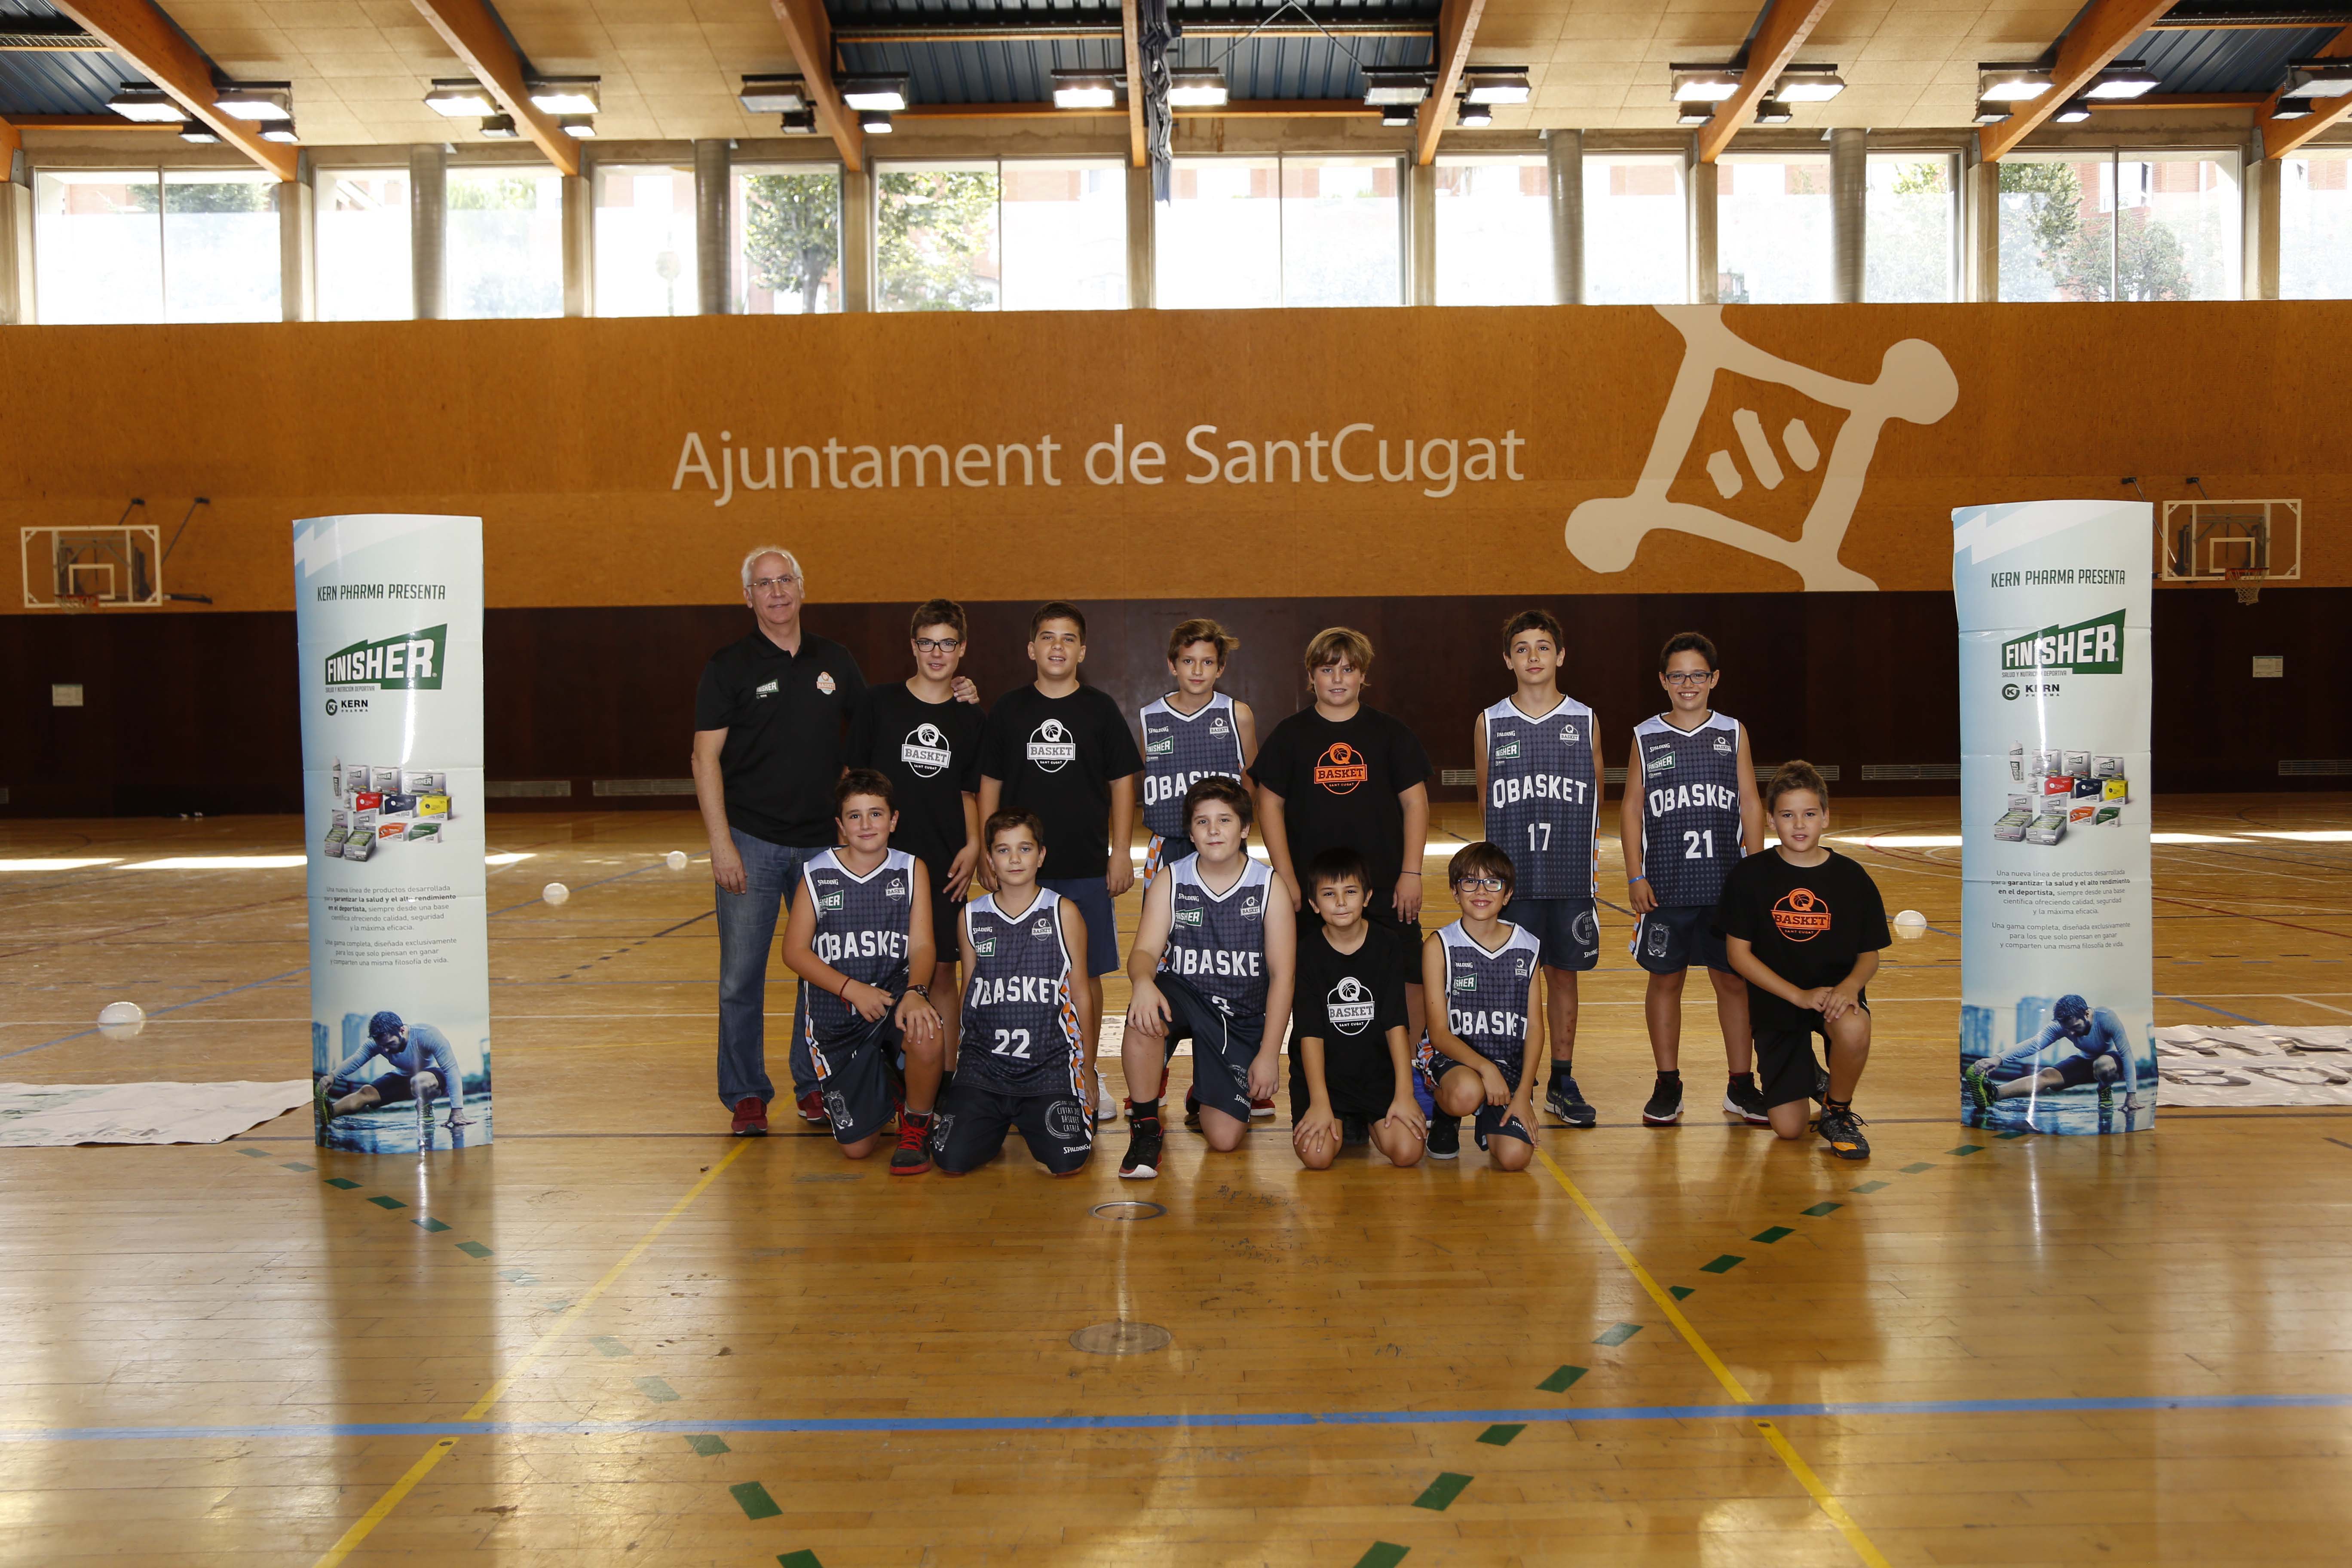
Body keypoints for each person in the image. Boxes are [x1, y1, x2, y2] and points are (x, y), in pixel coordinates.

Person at [690, 546, 870, 1139]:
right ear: (749, 598)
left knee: (816, 971)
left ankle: (812, 1081)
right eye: (764, 584)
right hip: (752, 840)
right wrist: (722, 845)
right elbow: (705, 757)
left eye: (785, 579)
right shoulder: (729, 665)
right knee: (741, 977)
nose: (776, 592)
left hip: (822, 850)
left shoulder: (835, 660)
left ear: (801, 586)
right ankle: (745, 1094)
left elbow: (873, 734)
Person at [1249, 626, 1436, 1132]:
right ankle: (1328, 1087)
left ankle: (1408, 1076)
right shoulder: (1291, 735)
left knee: (1410, 978)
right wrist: (1286, 878)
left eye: (1347, 669)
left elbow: (1415, 801)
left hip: (1381, 887)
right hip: (1318, 896)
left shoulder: (1389, 733)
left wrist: (1411, 872)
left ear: (1363, 676)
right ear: (1311, 676)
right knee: (1312, 983)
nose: (1338, 678)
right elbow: (1269, 802)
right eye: (1327, 669)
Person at [977, 602, 1142, 1124]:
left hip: (1085, 865)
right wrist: (989, 850)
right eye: (1047, 638)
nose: (1057, 647)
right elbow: (989, 784)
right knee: (1018, 974)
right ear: (1032, 649)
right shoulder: (1008, 709)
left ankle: (1085, 1070)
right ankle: (1016, 1072)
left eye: (1068, 639)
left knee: (1085, 973)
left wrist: (1120, 851)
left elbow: (1123, 784)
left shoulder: (1099, 709)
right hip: (1021, 872)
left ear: (1082, 651)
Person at [1620, 631, 1765, 1129]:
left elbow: (1749, 800)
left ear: (1714, 679)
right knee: (1666, 981)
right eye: (1678, 675)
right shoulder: (1646, 735)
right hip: (1666, 886)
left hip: (1724, 883)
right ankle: (1668, 1083)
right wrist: (1635, 873)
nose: (1688, 683)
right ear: (1663, 681)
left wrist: (1757, 868)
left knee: (1732, 981)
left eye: (1698, 674)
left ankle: (1741, 1085)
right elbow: (1633, 808)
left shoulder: (1733, 732)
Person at [1118, 777, 1295, 1178]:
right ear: (1191, 832)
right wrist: (1144, 983)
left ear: (1245, 829)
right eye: (1202, 822)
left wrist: (1270, 1055)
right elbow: (1145, 952)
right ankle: (1146, 1129)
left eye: (1225, 820)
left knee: (1224, 1139)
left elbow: (1283, 977)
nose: (1214, 830)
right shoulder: (1173, 878)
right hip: (1186, 996)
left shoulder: (1269, 887)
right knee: (1143, 1014)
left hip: (1240, 1015)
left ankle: (1205, 1092)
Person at [778, 771, 946, 1173]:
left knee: (926, 1029)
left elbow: (923, 945)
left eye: (876, 814)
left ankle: (916, 1123)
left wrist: (916, 991)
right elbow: (794, 951)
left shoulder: (910, 869)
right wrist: (851, 989)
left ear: (894, 821)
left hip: (892, 1001)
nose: (866, 825)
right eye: (854, 817)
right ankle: (888, 1083)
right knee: (858, 1149)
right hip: (838, 1017)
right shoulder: (816, 874)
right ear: (840, 826)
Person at [1475, 608, 1602, 1130]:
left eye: (1543, 646)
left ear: (1561, 655)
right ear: (1508, 659)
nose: (1533, 656)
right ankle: (1508, 1076)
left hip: (1569, 874)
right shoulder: (1490, 721)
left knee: (1564, 978)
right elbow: (1487, 803)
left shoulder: (1586, 719)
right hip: (1513, 881)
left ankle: (1563, 1079)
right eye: (1522, 648)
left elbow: (1595, 798)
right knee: (1510, 981)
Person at [1716, 762, 1883, 1159]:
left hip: (1832, 996)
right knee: (1789, 1130)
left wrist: (1848, 988)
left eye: (1810, 814)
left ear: (1825, 816)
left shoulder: (1851, 877)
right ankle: (1809, 1074)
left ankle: (1837, 1112)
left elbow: (1869, 956)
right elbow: (1737, 955)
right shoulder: (1750, 876)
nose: (1800, 825)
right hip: (1780, 1002)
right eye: (1788, 815)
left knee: (1855, 1027)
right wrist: (1798, 996)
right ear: (1772, 820)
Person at [845, 598, 984, 1069]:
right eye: (928, 643)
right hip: (882, 861)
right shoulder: (878, 704)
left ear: (962, 648)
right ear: (914, 645)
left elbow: (970, 791)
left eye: (948, 644)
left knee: (943, 972)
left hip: (943, 861)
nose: (937, 654)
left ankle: (944, 1083)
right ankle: (874, 1075)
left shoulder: (970, 716)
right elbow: (853, 783)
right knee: (880, 970)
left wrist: (973, 845)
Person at [933, 811, 1096, 1178]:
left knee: (1066, 1162)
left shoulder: (1062, 912)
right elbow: (970, 991)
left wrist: (1086, 1068)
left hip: (1049, 1067)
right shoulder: (972, 916)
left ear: (1041, 855)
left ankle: (1051, 1109)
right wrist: (963, 1063)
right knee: (951, 1159)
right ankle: (991, 1121)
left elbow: (1081, 994)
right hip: (985, 1068)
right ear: (989, 859)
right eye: (1003, 851)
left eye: (1025, 849)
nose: (1015, 859)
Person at [1289, 847, 1425, 1171]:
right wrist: (1320, 1103)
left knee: (1408, 1153)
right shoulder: (1306, 951)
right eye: (1329, 894)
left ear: (1367, 897)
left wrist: (1405, 1094)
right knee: (1317, 1158)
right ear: (1313, 904)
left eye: (1350, 892)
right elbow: (1309, 1032)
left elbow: (1396, 1022)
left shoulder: (1388, 944)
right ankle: (1340, 1117)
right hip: (1326, 1079)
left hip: (1376, 1074)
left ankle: (1363, 1121)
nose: (1340, 902)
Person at [1416, 842, 1540, 1172]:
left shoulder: (1527, 946)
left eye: (1493, 883)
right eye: (1469, 882)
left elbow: (1536, 1030)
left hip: (1507, 1065)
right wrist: (1486, 1069)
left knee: (1515, 1160)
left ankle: (1492, 1112)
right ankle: (1446, 1115)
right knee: (1465, 1093)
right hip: (1453, 1059)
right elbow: (1439, 1033)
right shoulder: (1440, 946)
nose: (1481, 891)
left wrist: (1524, 1093)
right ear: (1455, 892)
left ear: (1508, 893)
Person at [1138, 618, 1258, 883]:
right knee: (1164, 921)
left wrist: (1234, 824)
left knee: (1227, 918)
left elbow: (1252, 779)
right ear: (1173, 665)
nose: (1197, 670)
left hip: (1223, 842)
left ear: (1220, 668)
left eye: (1208, 662)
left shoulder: (1237, 715)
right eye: (1188, 661)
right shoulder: (1150, 717)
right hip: (1168, 842)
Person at [1965, 994, 2144, 1132]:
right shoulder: (2063, 1025)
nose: (2071, 1034)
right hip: (2085, 1059)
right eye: (2067, 1030)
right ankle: (1994, 1094)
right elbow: (2034, 1043)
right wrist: (1998, 1059)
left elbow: (2126, 1053)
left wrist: (2132, 1095)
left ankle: (2104, 1089)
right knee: (2047, 1076)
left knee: (2103, 1064)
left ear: (2087, 1014)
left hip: (2111, 1060)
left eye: (2075, 1028)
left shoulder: (2106, 1018)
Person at [314, 1010, 474, 1132]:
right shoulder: (378, 1043)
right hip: (402, 1076)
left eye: (389, 1044)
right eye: (381, 1046)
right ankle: (329, 1112)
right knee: (366, 1092)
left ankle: (425, 1104)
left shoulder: (427, 1035)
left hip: (433, 1078)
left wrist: (457, 1111)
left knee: (419, 1081)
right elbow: (356, 1060)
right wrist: (332, 1076)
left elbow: (452, 1069)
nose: (385, 1050)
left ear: (402, 1030)